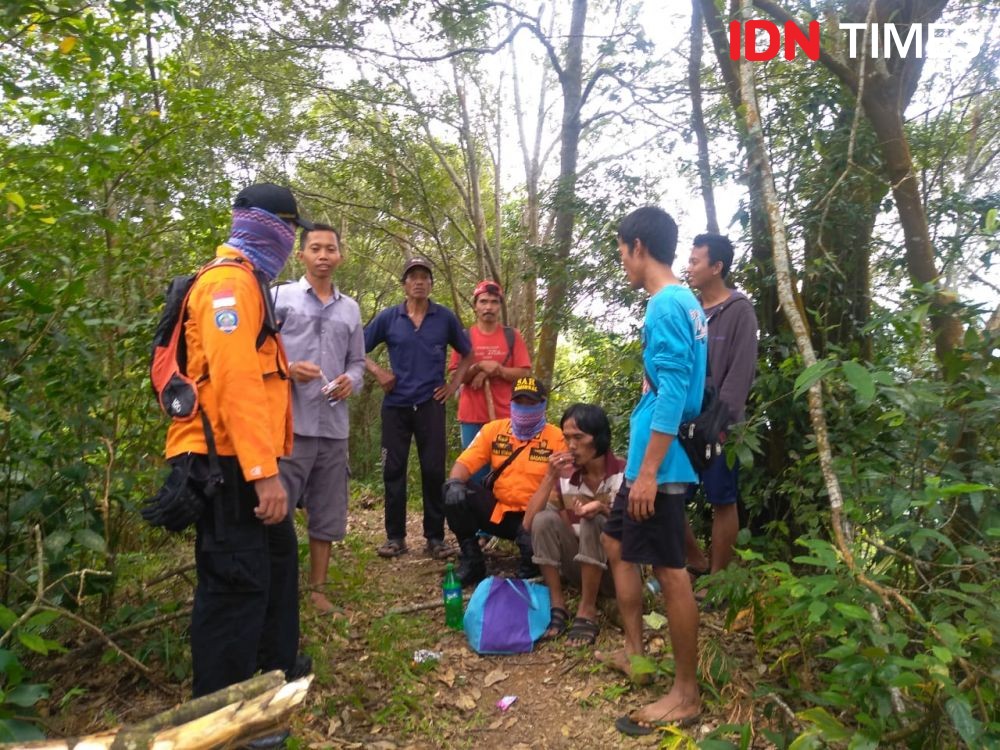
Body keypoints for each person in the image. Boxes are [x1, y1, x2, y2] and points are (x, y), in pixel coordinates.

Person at [163, 183, 311, 698]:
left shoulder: (249, 282)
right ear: (270, 227)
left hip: (242, 456)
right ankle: (222, 711)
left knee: (275, 559)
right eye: (291, 230)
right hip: (223, 460)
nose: (292, 242)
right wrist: (262, 473)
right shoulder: (228, 285)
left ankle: (276, 670)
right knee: (235, 582)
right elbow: (235, 380)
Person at [599, 206, 706, 735]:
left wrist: (647, 473)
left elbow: (672, 395)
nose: (621, 259)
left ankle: (686, 694)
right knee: (617, 539)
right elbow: (670, 382)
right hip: (650, 459)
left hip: (658, 468)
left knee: (670, 571)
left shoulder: (667, 305)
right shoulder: (684, 303)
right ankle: (633, 652)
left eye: (621, 249)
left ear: (638, 246)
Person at [273, 223, 365, 615]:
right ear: (301, 255)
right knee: (277, 508)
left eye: (330, 249)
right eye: (315, 248)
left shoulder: (351, 308)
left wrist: (352, 381)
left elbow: (358, 361)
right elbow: (257, 352)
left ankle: (317, 591)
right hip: (289, 424)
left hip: (332, 427)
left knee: (326, 509)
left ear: (340, 256)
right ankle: (274, 587)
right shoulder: (280, 297)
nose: (323, 255)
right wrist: (288, 367)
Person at [364, 257, 473, 560]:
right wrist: (379, 371)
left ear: (431, 284)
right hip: (396, 406)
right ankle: (395, 537)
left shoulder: (444, 318)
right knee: (393, 471)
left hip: (431, 405)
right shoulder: (389, 318)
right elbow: (355, 347)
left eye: (424, 276)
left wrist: (453, 386)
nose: (419, 281)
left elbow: (467, 353)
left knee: (434, 470)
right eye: (413, 277)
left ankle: (435, 538)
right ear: (404, 284)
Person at [683, 233, 758, 580]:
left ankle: (717, 577)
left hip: (720, 425)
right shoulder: (689, 309)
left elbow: (740, 372)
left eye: (696, 261)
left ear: (717, 267)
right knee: (670, 492)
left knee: (721, 499)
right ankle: (696, 562)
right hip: (684, 420)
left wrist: (720, 424)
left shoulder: (740, 310)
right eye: (690, 259)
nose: (689, 267)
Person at [443, 377, 567, 586]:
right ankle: (472, 559)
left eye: (531, 404)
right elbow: (464, 463)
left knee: (532, 555)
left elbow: (563, 489)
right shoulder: (494, 430)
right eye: (519, 403)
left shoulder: (558, 438)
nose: (524, 409)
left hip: (534, 518)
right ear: (511, 404)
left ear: (543, 404)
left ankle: (529, 573)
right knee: (452, 490)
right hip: (498, 512)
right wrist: (455, 482)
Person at [523, 403, 622, 647]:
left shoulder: (624, 471)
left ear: (598, 438)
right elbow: (528, 523)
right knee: (544, 517)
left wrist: (602, 508)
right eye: (567, 438)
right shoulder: (567, 477)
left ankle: (587, 609)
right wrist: (550, 477)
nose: (571, 445)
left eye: (579, 437)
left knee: (594, 518)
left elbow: (636, 528)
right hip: (580, 565)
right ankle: (558, 604)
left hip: (618, 571)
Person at [449, 280, 532, 449]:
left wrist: (498, 370)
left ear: (500, 307)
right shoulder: (464, 337)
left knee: (505, 471)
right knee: (475, 471)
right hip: (472, 418)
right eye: (483, 302)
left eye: (494, 302)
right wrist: (478, 368)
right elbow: (454, 377)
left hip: (506, 417)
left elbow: (525, 373)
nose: (489, 307)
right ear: (475, 306)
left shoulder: (512, 336)